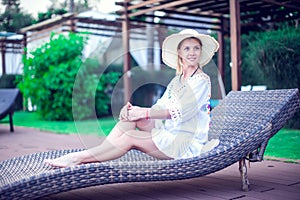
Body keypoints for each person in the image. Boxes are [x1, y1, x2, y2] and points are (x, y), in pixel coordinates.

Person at [44, 29, 220, 168]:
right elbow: (160, 105)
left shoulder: (201, 81)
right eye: (187, 48)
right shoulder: (177, 80)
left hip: (184, 143)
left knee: (130, 136)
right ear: (180, 53)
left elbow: (182, 112)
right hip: (169, 133)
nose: (192, 52)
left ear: (201, 52)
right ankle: (99, 154)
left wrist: (144, 112)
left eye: (196, 48)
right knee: (128, 119)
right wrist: (135, 112)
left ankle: (78, 158)